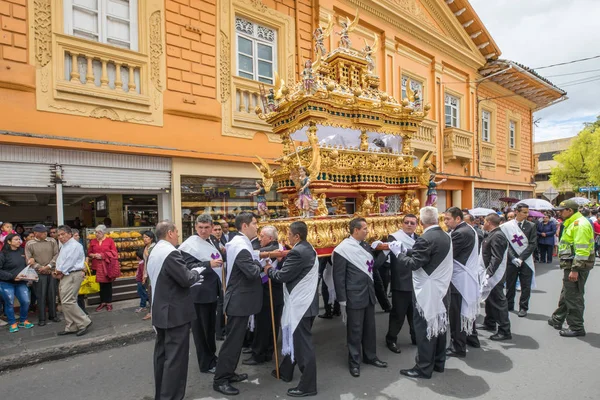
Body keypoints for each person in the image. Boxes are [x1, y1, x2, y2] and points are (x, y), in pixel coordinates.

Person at [147, 220, 205, 400]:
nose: (178, 235)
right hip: (174, 313)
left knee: (162, 357)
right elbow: (186, 278)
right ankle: (170, 396)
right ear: (170, 233)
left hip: (161, 310)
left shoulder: (155, 250)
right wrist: (197, 271)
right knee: (175, 360)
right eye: (177, 232)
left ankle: (161, 394)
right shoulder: (170, 253)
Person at [396, 206, 453, 379]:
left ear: (420, 222)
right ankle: (438, 363)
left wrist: (399, 254)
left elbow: (414, 264)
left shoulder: (425, 238)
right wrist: (408, 251)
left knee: (425, 328)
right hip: (442, 289)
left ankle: (423, 368)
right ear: (438, 219)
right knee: (440, 326)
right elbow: (430, 254)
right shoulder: (445, 235)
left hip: (428, 291)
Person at [265, 221, 319, 397]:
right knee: (295, 340)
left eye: (289, 233)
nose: (286, 236)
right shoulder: (308, 247)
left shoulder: (297, 251)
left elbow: (282, 276)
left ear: (297, 236)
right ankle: (286, 371)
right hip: (307, 304)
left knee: (303, 347)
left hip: (301, 306)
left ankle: (308, 386)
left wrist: (268, 270)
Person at [213, 212, 263, 396]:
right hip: (238, 301)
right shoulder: (241, 246)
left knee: (235, 341)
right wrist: (259, 264)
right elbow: (251, 272)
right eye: (255, 223)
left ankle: (229, 373)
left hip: (240, 300)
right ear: (244, 226)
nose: (257, 227)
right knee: (232, 343)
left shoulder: (237, 243)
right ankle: (220, 380)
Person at [333, 217, 387, 378]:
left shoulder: (365, 246)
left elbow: (373, 267)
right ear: (355, 230)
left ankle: (370, 357)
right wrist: (342, 299)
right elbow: (338, 277)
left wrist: (384, 252)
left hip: (368, 294)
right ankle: (354, 362)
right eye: (364, 228)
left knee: (370, 329)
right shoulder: (342, 249)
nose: (367, 231)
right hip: (353, 296)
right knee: (355, 331)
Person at [179, 214, 224, 375]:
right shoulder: (189, 245)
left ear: (212, 227)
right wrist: (208, 264)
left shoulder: (212, 240)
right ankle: (206, 363)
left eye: (206, 227)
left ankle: (212, 357)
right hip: (198, 294)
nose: (203, 231)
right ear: (195, 227)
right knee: (201, 331)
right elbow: (188, 266)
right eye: (200, 228)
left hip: (212, 292)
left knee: (210, 329)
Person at [548, 200, 595, 337]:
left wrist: (575, 269)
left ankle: (576, 326)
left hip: (577, 266)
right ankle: (557, 318)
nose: (559, 213)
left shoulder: (579, 224)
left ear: (569, 211)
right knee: (567, 293)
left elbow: (582, 251)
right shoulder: (573, 222)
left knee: (574, 296)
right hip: (571, 265)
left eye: (561, 211)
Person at [244, 225, 283, 366]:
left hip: (269, 292)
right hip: (275, 293)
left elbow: (256, 254)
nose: (260, 239)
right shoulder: (279, 247)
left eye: (262, 237)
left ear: (270, 238)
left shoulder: (272, 249)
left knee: (264, 325)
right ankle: (267, 351)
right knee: (272, 325)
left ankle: (259, 354)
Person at [443, 207, 480, 358]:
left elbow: (447, 255)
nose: (445, 222)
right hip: (467, 275)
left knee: (457, 313)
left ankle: (458, 347)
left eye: (447, 219)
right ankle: (472, 338)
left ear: (458, 219)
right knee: (467, 309)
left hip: (459, 278)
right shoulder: (468, 229)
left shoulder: (459, 233)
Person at [385, 214, 418, 353]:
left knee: (415, 313)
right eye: (406, 222)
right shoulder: (394, 238)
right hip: (401, 281)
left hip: (417, 281)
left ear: (416, 225)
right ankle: (391, 339)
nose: (409, 225)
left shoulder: (420, 238)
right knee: (398, 314)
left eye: (412, 222)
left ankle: (416, 337)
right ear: (402, 224)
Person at [477, 213, 511, 340]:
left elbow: (496, 257)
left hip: (495, 274)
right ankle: (490, 322)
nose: (483, 224)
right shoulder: (493, 234)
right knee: (490, 299)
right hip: (489, 271)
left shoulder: (497, 236)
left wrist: (489, 273)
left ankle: (504, 330)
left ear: (489, 222)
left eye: (484, 221)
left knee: (498, 301)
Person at [54, 225, 93, 337]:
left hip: (72, 274)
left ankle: (84, 321)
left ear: (69, 234)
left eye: (63, 234)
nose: (60, 237)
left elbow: (69, 262)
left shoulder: (74, 246)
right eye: (59, 235)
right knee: (67, 301)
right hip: (66, 274)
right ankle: (71, 325)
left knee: (67, 301)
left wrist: (59, 271)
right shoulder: (65, 246)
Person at [503, 203, 537, 317]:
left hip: (526, 260)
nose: (526, 215)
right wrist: (513, 258)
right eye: (524, 212)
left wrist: (521, 258)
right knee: (510, 283)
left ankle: (523, 307)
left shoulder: (531, 226)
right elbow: (506, 244)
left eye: (527, 212)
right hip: (511, 260)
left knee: (525, 285)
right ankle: (509, 304)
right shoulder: (507, 226)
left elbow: (532, 244)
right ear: (517, 212)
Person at [25, 224, 60, 326]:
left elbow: (56, 255)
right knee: (41, 295)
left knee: (52, 294)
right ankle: (42, 318)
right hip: (39, 273)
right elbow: (29, 259)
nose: (45, 234)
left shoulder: (52, 241)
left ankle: (53, 315)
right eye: (43, 233)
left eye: (46, 232)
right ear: (36, 233)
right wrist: (39, 267)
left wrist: (49, 266)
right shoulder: (30, 244)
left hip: (51, 271)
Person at [0, 234, 35, 332]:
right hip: (6, 283)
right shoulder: (3, 254)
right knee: (9, 302)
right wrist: (11, 277)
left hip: (21, 282)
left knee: (25, 301)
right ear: (9, 242)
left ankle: (23, 320)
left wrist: (31, 260)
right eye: (15, 239)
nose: (18, 241)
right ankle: (12, 323)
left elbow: (29, 262)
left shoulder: (22, 251)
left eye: (19, 239)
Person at [87, 225, 118, 312]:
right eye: (96, 232)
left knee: (107, 285)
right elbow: (89, 253)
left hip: (106, 266)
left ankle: (109, 302)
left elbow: (114, 253)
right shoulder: (93, 241)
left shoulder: (110, 241)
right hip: (96, 265)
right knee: (99, 285)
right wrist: (94, 255)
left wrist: (103, 255)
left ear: (103, 232)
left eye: (99, 232)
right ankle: (102, 302)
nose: (96, 234)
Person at [212, 221, 227, 340]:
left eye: (219, 229)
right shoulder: (212, 243)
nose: (218, 232)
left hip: (223, 275)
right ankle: (219, 331)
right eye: (215, 230)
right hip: (215, 277)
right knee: (220, 305)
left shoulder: (222, 241)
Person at [142, 230, 156, 321]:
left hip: (153, 273)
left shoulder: (154, 247)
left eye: (147, 237)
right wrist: (144, 274)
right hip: (148, 273)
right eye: (143, 237)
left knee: (152, 292)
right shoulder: (146, 248)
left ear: (151, 238)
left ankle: (152, 312)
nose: (145, 239)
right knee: (149, 292)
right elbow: (145, 263)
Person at [135, 248, 149, 314]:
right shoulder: (141, 263)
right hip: (139, 280)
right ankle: (149, 301)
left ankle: (143, 306)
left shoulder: (142, 264)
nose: (136, 257)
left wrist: (143, 279)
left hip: (140, 281)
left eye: (137, 256)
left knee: (142, 293)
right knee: (143, 293)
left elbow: (143, 272)